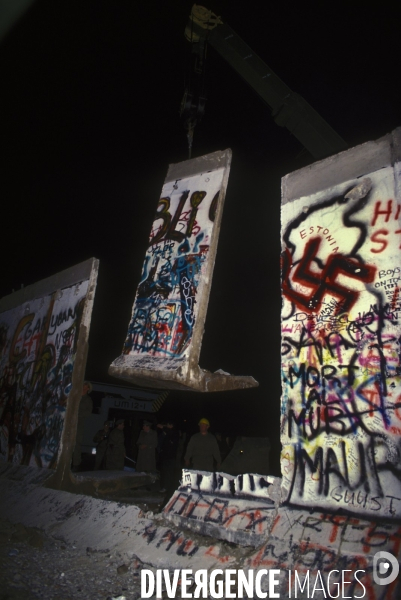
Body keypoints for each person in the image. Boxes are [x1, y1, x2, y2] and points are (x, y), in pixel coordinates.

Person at [72, 381, 93, 470]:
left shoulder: (88, 400)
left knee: (77, 443)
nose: (84, 387)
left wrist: (78, 413)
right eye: (83, 385)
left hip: (79, 423)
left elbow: (88, 412)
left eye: (86, 386)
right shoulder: (75, 396)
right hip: (70, 422)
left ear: (88, 388)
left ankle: (75, 464)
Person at [159, 420, 180, 495]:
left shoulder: (174, 433)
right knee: (164, 472)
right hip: (165, 456)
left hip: (171, 456)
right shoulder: (166, 432)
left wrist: (164, 428)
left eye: (168, 425)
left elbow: (172, 440)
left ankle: (170, 488)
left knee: (170, 472)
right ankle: (165, 487)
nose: (166, 426)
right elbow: (162, 442)